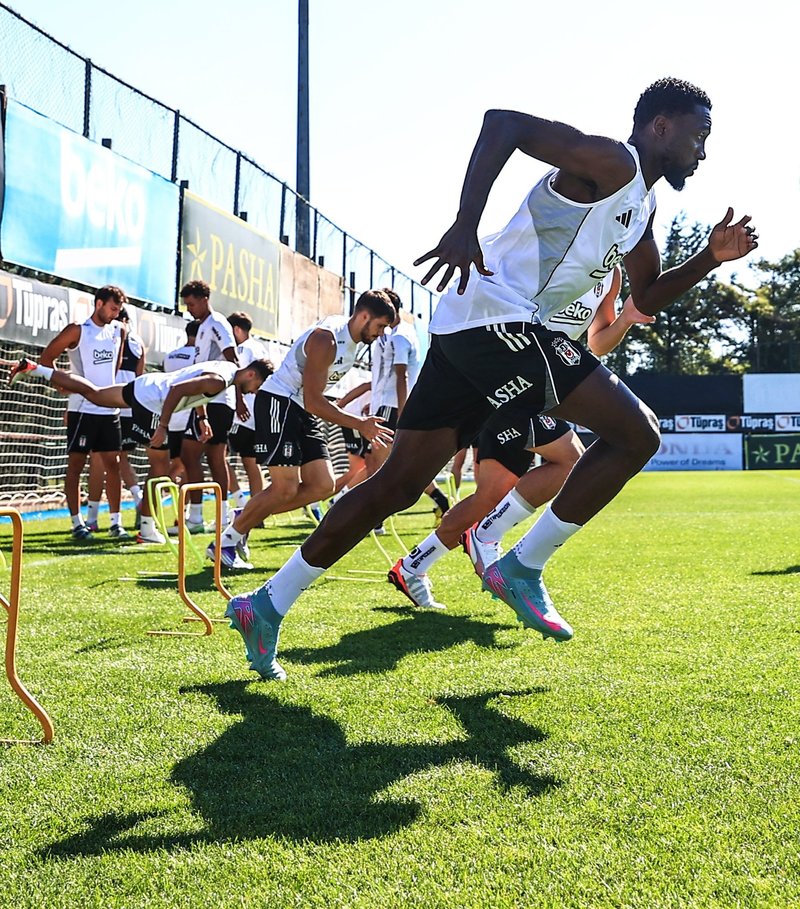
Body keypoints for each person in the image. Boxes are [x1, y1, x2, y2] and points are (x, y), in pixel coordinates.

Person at [225, 77, 758, 681]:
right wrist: (464, 225)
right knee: (635, 435)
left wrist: (711, 258)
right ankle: (521, 565)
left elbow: (649, 292)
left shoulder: (641, 206)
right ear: (662, 126)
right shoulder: (613, 161)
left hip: (476, 330)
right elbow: (503, 122)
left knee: (398, 486)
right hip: (503, 321)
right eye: (699, 135)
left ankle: (265, 604)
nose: (704, 151)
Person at [387, 266, 656, 608]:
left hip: (551, 386)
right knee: (570, 460)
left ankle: (414, 565)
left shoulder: (612, 273)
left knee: (490, 497)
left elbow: (597, 342)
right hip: (512, 371)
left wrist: (626, 318)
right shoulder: (555, 248)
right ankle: (485, 535)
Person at [208, 290, 397, 572]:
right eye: (380, 326)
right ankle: (225, 542)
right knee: (285, 488)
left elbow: (312, 400)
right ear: (364, 316)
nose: (381, 334)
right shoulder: (326, 338)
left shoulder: (351, 340)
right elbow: (313, 400)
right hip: (280, 402)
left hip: (302, 409)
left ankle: (245, 515)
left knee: (322, 485)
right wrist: (360, 424)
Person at [9, 356, 273, 543]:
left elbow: (195, 384)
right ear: (250, 374)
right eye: (256, 386)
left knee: (96, 394)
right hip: (153, 402)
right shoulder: (220, 381)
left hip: (147, 386)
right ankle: (146, 528)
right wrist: (164, 425)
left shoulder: (225, 368)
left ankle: (35, 369)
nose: (252, 392)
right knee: (160, 467)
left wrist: (202, 418)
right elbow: (179, 389)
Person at [35, 285, 127, 542]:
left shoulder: (118, 331)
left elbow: (115, 365)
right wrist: (62, 385)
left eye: (118, 310)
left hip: (109, 409)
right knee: (76, 464)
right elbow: (46, 359)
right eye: (112, 308)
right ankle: (77, 523)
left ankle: (116, 523)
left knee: (114, 465)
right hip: (82, 410)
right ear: (98, 304)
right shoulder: (78, 330)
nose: (115, 314)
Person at [365, 288, 450, 532]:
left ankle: (375, 518)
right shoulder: (392, 334)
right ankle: (441, 501)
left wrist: (402, 412)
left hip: (392, 406)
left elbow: (401, 374)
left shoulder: (400, 336)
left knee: (380, 465)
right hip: (386, 404)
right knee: (389, 464)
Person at [178, 280, 241, 533]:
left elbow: (232, 358)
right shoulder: (204, 326)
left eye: (192, 304)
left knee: (192, 454)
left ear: (205, 298)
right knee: (212, 458)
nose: (190, 309)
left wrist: (239, 396)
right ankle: (219, 516)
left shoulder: (216, 323)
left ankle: (198, 517)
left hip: (214, 400)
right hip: (210, 399)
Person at [226, 311, 269, 511]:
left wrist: (239, 401)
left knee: (216, 455)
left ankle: (242, 502)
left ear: (236, 329)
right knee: (251, 463)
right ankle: (256, 509)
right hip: (256, 414)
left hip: (242, 415)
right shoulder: (260, 346)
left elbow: (237, 376)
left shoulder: (242, 349)